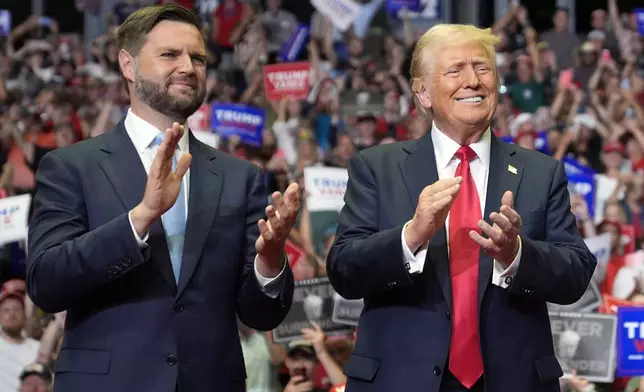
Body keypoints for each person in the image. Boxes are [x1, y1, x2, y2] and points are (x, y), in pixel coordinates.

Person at [26, 5, 297, 392]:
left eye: (198, 57)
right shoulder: (70, 166)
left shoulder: (241, 177)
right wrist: (140, 218)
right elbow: (46, 283)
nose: (189, 66)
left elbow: (261, 313)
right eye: (170, 54)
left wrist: (270, 262)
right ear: (127, 65)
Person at [327, 24, 596, 392]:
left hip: (511, 381)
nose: (473, 80)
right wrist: (411, 236)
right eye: (455, 70)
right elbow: (344, 270)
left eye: (483, 68)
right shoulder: (377, 167)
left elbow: (576, 275)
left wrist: (516, 254)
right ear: (422, 92)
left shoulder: (541, 171)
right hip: (400, 380)